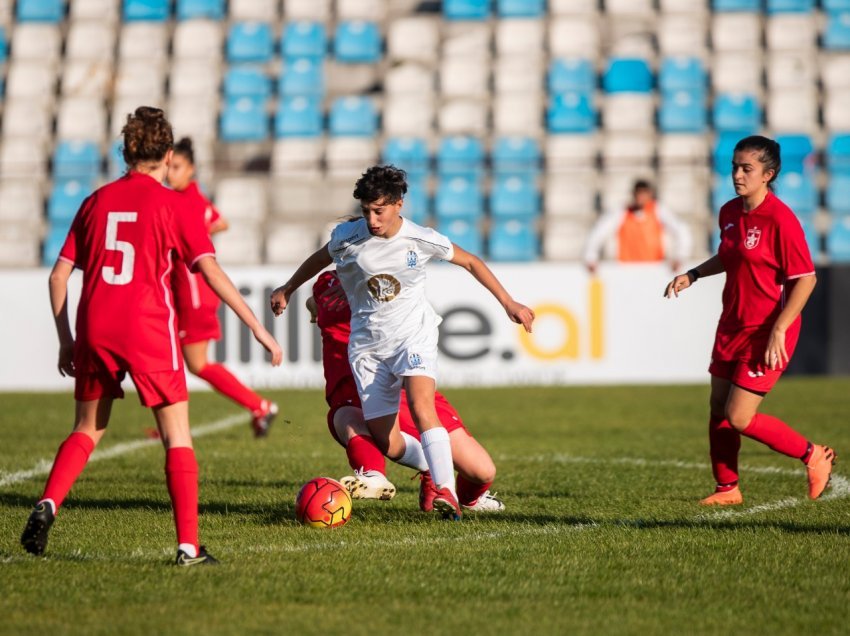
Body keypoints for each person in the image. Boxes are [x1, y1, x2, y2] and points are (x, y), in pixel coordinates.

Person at [20, 107, 282, 565]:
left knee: (87, 428)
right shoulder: (174, 204)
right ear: (166, 155)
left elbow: (58, 278)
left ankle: (48, 504)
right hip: (147, 328)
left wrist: (67, 339)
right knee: (177, 435)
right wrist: (257, 327)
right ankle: (187, 547)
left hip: (95, 326)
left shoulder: (95, 201)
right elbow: (209, 270)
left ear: (125, 151)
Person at [270, 165, 534, 519]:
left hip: (413, 336)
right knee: (387, 441)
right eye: (366, 211)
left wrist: (509, 302)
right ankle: (431, 465)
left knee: (422, 405)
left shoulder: (420, 237)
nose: (372, 220)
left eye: (379, 210)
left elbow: (470, 261)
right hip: (369, 349)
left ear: (398, 204)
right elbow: (320, 259)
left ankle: (446, 490)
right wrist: (288, 288)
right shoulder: (348, 237)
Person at [664, 135, 835, 506]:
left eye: (747, 169)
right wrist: (692, 274)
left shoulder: (781, 219)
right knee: (717, 408)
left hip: (767, 330)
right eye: (734, 167)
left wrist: (779, 328)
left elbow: (806, 278)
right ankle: (728, 489)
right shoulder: (729, 212)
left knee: (739, 416)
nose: (738, 175)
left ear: (768, 174)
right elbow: (730, 256)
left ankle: (813, 455)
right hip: (732, 325)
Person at [308, 270, 504, 512]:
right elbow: (315, 299)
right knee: (350, 420)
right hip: (352, 384)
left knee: (482, 471)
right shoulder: (327, 282)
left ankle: (468, 499)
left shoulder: (388, 279)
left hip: (402, 383)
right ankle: (373, 475)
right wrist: (312, 305)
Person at [167, 137, 278, 437]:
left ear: (190, 168)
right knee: (179, 360)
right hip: (194, 292)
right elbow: (221, 222)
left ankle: (259, 405)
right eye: (168, 166)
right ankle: (171, 424)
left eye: (176, 166)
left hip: (192, 291)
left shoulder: (181, 200)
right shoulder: (197, 198)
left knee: (195, 363)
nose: (169, 173)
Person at [584, 179, 692, 274]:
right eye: (638, 193)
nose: (641, 197)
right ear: (633, 194)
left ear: (650, 194)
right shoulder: (622, 211)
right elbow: (599, 232)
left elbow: (681, 230)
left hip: (655, 269)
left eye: (644, 193)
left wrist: (680, 256)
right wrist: (591, 256)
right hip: (627, 270)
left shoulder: (659, 210)